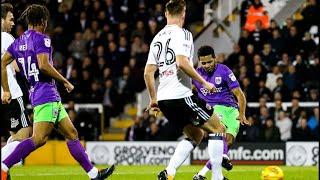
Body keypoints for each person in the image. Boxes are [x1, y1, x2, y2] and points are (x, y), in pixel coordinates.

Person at [1, 5, 114, 180]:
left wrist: (6, 89)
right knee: (38, 139)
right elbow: (44, 65)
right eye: (46, 21)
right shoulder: (42, 39)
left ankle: (94, 174)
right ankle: (4, 165)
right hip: (46, 94)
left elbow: (2, 63)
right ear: (42, 21)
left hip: (40, 93)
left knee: (72, 133)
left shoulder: (18, 42)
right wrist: (65, 80)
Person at [144, 1, 225, 179]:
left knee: (196, 135)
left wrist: (153, 100)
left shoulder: (156, 38)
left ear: (166, 14)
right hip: (181, 96)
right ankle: (217, 177)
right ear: (183, 14)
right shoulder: (184, 34)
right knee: (218, 128)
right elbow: (182, 63)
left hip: (165, 100)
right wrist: (204, 82)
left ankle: (169, 172)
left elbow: (148, 73)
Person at [192, 46, 251, 180]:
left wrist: (242, 114)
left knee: (228, 142)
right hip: (214, 109)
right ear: (200, 61)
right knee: (221, 135)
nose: (206, 65)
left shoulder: (224, 71)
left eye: (209, 62)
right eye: (203, 63)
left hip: (232, 110)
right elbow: (188, 93)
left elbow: (240, 95)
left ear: (215, 58)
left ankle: (202, 174)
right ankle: (221, 163)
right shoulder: (196, 75)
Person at [1, 3, 32, 165]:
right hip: (11, 95)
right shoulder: (6, 38)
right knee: (24, 134)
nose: (13, 23)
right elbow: (18, 66)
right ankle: (2, 163)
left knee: (13, 135)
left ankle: (4, 171)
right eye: (10, 19)